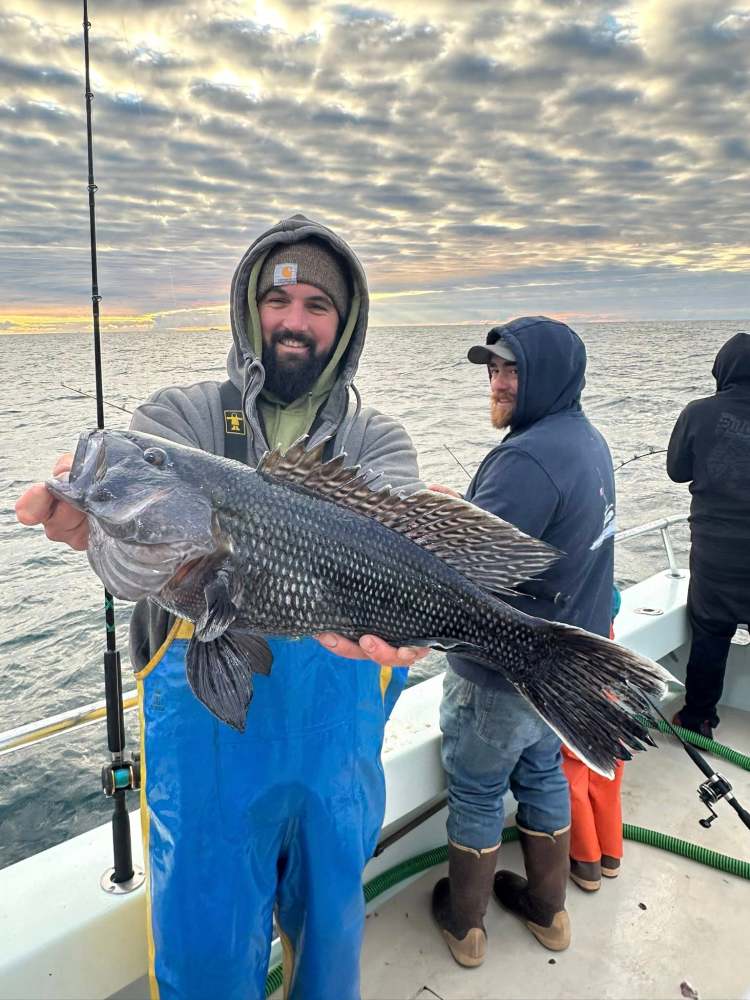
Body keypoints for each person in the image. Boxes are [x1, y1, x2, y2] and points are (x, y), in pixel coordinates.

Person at [15, 214, 427, 1000]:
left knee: (332, 957)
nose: (294, 321)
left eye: (317, 305)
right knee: (204, 969)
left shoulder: (377, 440)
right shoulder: (181, 419)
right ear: (250, 309)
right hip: (205, 771)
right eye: (279, 301)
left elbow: (403, 516)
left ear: (344, 325)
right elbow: (135, 550)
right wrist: (91, 528)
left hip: (337, 765)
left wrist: (424, 607)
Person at [431, 316, 616, 965]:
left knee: (479, 789)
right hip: (554, 673)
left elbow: (457, 575)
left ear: (546, 375)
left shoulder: (525, 458)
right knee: (541, 772)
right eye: (491, 368)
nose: (498, 381)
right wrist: (462, 508)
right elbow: (526, 542)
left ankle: (466, 926)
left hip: (498, 674)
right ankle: (548, 911)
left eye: (512, 368)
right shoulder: (586, 442)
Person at [667, 331, 750, 740]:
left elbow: (677, 471)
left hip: (715, 552)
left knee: (710, 632)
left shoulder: (698, 412)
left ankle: (698, 717)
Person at [561, 585, 624, 892]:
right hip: (602, 632)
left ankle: (585, 860)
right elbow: (612, 597)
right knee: (606, 742)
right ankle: (610, 853)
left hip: (568, 642)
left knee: (571, 755)